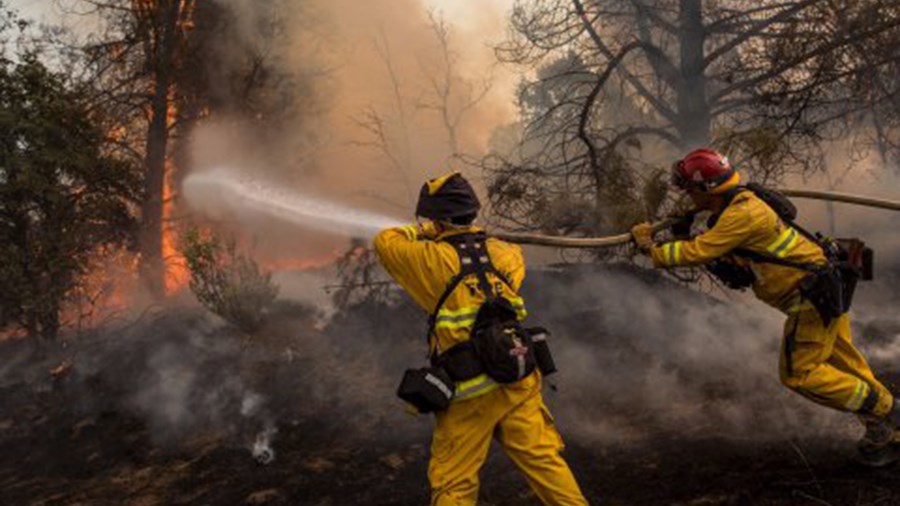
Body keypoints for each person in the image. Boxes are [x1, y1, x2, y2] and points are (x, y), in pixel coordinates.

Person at [630, 148, 900, 466]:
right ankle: (884, 430)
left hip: (811, 299)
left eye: (689, 188)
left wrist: (650, 247)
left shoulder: (741, 215)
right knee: (844, 367)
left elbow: (697, 252)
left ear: (707, 189)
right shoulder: (738, 205)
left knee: (799, 374)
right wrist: (682, 230)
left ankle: (889, 411)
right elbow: (726, 255)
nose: (686, 194)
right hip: (827, 289)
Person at [374, 172, 588, 505]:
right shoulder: (507, 254)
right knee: (547, 466)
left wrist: (424, 231)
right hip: (517, 377)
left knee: (454, 484)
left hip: (468, 392)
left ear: (437, 220)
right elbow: (509, 261)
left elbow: (385, 241)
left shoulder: (429, 260)